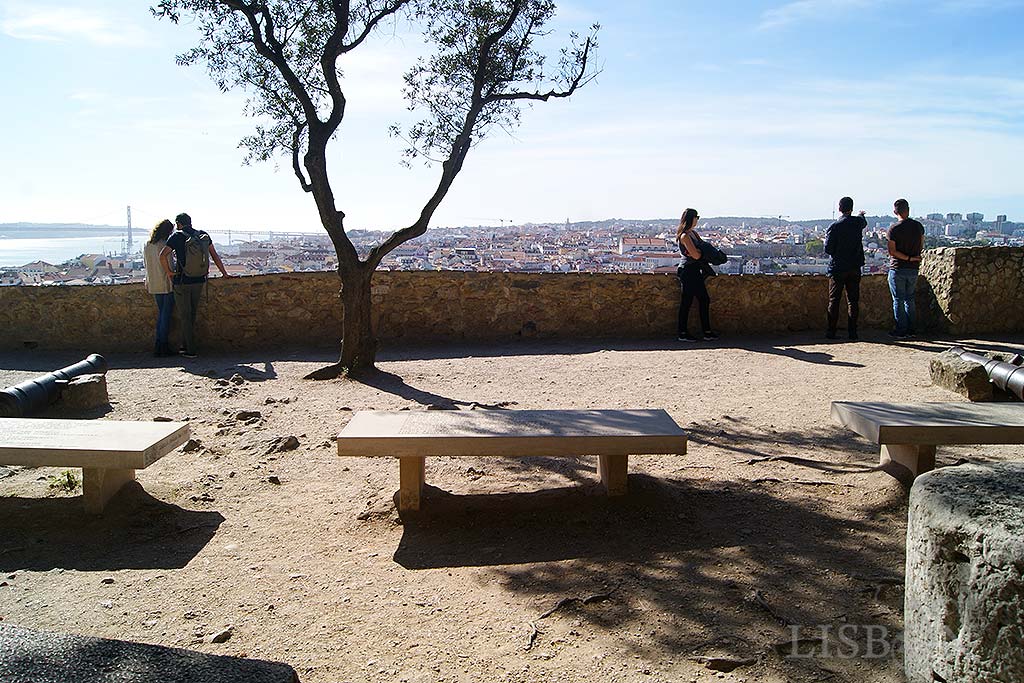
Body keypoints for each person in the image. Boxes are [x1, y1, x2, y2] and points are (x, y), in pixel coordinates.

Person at [159, 212, 231, 358]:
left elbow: (162, 255)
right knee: (191, 314)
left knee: (185, 316)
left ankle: (190, 350)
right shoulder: (203, 235)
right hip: (199, 280)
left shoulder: (177, 236)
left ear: (179, 223)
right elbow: (214, 256)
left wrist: (169, 273)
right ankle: (185, 346)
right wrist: (224, 273)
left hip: (182, 281)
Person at [824, 197, 867, 340]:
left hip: (838, 267)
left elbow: (828, 249)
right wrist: (861, 214)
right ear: (851, 208)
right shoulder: (857, 223)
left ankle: (831, 332)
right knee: (853, 301)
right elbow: (863, 221)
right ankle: (853, 333)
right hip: (854, 266)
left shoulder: (835, 226)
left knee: (834, 300)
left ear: (839, 209)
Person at [675, 208, 719, 342]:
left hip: (694, 270)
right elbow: (695, 254)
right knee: (687, 302)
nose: (698, 220)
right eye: (697, 217)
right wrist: (703, 253)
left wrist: (701, 252)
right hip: (688, 271)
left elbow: (700, 250)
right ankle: (684, 332)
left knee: (703, 299)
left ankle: (706, 331)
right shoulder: (685, 236)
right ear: (691, 218)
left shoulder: (693, 233)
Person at [886, 198, 925, 338]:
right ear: (908, 209)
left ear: (895, 211)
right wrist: (913, 258)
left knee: (898, 299)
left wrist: (906, 258)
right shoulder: (918, 226)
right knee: (910, 299)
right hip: (913, 268)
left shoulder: (893, 229)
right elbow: (921, 245)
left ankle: (901, 330)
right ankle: (911, 329)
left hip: (898, 268)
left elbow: (892, 252)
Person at [143, 219, 175, 356]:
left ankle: (158, 345)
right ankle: (162, 346)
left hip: (153, 283)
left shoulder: (147, 245)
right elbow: (169, 266)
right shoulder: (164, 245)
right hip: (165, 283)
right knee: (165, 315)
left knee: (161, 314)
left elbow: (145, 264)